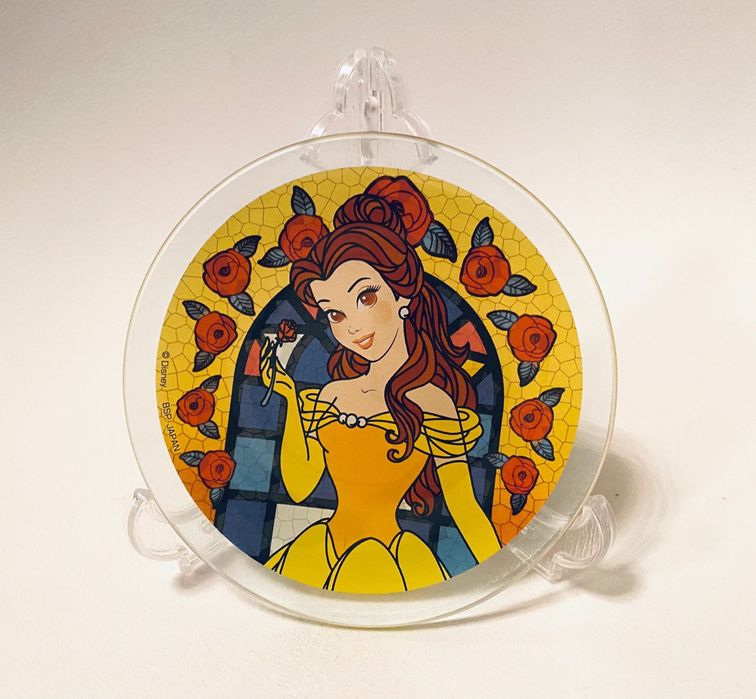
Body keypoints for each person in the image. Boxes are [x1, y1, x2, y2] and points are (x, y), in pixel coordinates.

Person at [259, 176, 501, 594]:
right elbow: (299, 488)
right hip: (318, 551)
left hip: (389, 560)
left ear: (402, 295)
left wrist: (508, 572)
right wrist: (288, 396)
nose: (352, 326)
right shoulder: (333, 394)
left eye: (365, 298)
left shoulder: (432, 402)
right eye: (335, 314)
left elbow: (464, 507)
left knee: (367, 568)